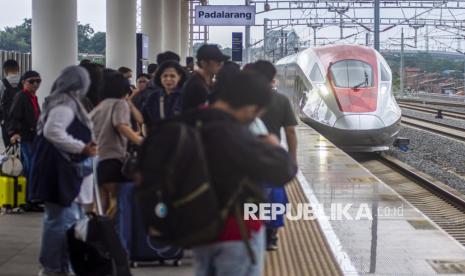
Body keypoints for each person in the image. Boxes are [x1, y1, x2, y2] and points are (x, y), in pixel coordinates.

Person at [183, 71, 297, 276]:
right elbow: (283, 172)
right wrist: (275, 147)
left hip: (199, 230)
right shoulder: (234, 134)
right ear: (250, 106)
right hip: (237, 232)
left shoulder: (189, 122)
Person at [29, 66, 98, 276]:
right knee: (60, 221)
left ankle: (60, 265)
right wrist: (82, 147)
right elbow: (53, 131)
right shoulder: (66, 104)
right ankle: (54, 267)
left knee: (62, 219)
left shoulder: (59, 101)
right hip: (60, 171)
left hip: (59, 169)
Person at [249, 60, 298, 251]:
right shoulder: (281, 100)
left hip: (247, 154)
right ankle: (272, 235)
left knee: (250, 193)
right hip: (272, 156)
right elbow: (291, 132)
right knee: (275, 194)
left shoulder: (243, 99)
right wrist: (292, 159)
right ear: (273, 78)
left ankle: (253, 230)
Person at [90, 70, 143, 216]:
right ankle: (115, 234)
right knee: (120, 202)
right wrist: (140, 140)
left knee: (101, 204)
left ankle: (98, 234)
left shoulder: (100, 106)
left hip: (98, 161)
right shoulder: (119, 104)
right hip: (114, 161)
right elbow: (121, 125)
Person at [8, 70, 42, 178]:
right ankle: (30, 191)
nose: (35, 84)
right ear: (24, 82)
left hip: (33, 137)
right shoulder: (21, 96)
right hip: (25, 137)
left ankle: (27, 191)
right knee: (31, 165)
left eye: (38, 81)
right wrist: (14, 132)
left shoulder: (33, 97)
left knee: (29, 166)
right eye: (31, 81)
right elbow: (14, 115)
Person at [182, 44, 229, 112]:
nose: (221, 64)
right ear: (204, 63)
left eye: (221, 62)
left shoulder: (206, 82)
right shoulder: (195, 85)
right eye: (217, 62)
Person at [142, 61, 186, 129]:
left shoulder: (186, 96)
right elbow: (145, 121)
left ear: (179, 77)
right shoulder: (153, 97)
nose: (168, 79)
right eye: (165, 76)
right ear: (160, 77)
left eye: (172, 76)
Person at [0, 59, 21, 147]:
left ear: (5, 70)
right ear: (18, 69)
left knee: (10, 150)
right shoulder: (25, 82)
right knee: (25, 150)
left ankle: (13, 160)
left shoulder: (2, 83)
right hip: (23, 122)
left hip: (7, 122)